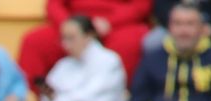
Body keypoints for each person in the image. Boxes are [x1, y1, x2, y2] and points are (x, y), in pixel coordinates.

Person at [17, 0, 151, 89]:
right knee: (34, 42)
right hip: (73, 20)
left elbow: (141, 6)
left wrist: (111, 21)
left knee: (131, 44)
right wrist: (70, 26)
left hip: (115, 26)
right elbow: (54, 5)